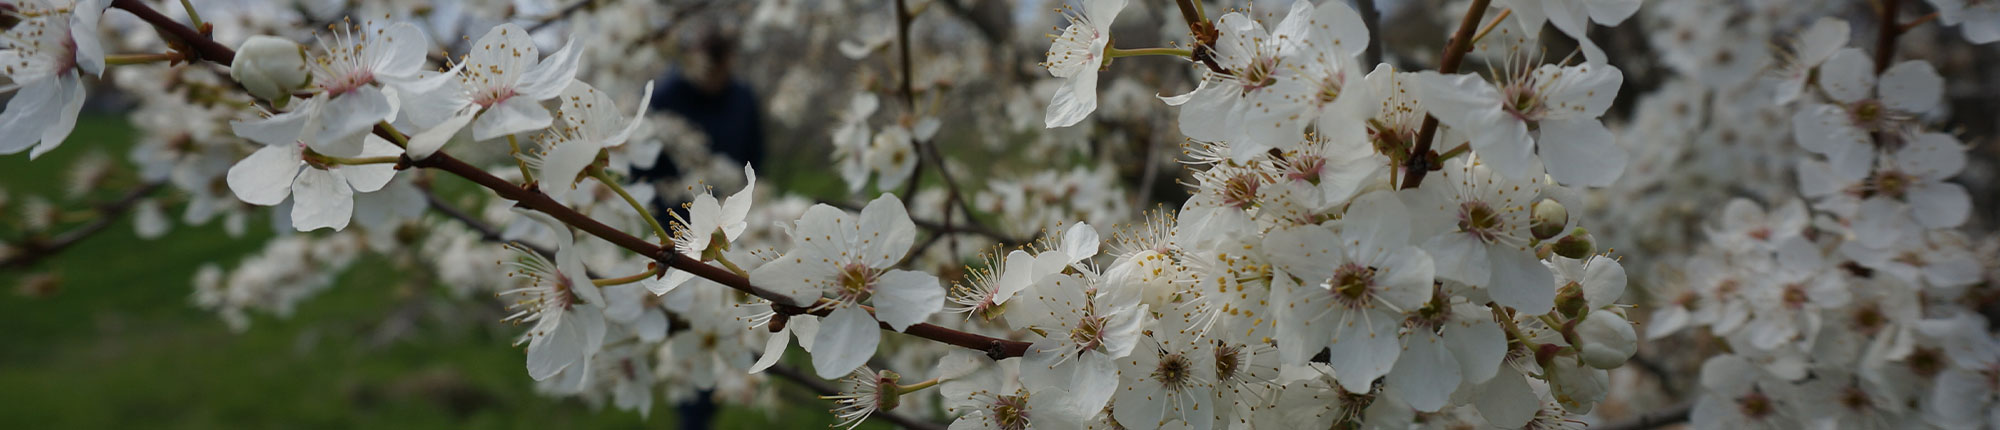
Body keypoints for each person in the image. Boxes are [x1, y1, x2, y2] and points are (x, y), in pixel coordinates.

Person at [637, 28, 766, 183]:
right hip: (675, 198)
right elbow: (644, 156)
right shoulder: (664, 97)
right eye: (706, 71)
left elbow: (754, 149)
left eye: (719, 71)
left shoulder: (743, 97)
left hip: (728, 193)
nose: (713, 80)